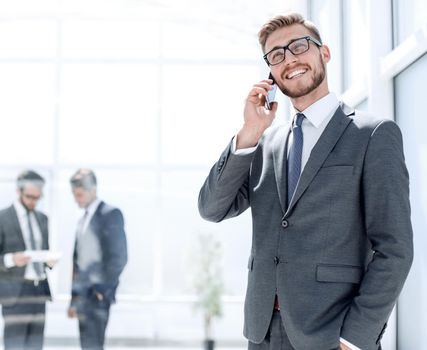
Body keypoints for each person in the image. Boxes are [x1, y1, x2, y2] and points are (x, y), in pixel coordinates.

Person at [198, 12, 413, 350]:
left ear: (324, 53)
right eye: (277, 55)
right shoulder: (265, 143)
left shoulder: (373, 135)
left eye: (299, 46)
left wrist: (356, 336)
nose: (290, 59)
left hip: (333, 334)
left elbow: (395, 248)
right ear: (271, 73)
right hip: (263, 333)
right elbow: (212, 208)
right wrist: (250, 132)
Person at [67, 169, 127, 350]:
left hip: (98, 295)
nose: (76, 199)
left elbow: (119, 257)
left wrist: (103, 289)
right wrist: (74, 299)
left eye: (79, 194)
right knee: (86, 345)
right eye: (74, 195)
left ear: (93, 189)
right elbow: (77, 262)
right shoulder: (81, 220)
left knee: (93, 345)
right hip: (83, 297)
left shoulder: (110, 214)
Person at [0, 170, 55, 350]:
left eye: (37, 197)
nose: (33, 201)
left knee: (35, 345)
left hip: (39, 291)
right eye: (29, 196)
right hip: (16, 293)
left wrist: (49, 261)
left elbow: (44, 251)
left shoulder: (42, 219)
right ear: (18, 191)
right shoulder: (3, 218)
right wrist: (11, 259)